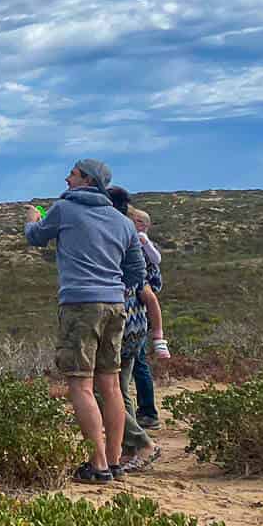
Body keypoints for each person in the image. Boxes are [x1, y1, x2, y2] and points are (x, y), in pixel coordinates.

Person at [24, 158, 146, 484]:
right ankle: (116, 460)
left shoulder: (65, 210)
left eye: (73, 174)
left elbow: (36, 237)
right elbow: (137, 271)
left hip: (80, 306)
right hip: (115, 306)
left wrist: (32, 219)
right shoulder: (122, 222)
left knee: (81, 384)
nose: (66, 179)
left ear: (88, 181)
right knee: (111, 383)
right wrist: (113, 283)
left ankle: (99, 465)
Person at [103, 188, 161, 472]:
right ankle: (129, 447)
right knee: (120, 387)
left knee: (104, 388)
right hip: (135, 324)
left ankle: (140, 442)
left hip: (122, 322)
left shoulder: (120, 237)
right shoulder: (133, 237)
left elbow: (146, 287)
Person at [127, 206, 168, 431]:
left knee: (138, 360)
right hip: (139, 302)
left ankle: (148, 411)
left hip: (140, 305)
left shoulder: (143, 244)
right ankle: (143, 410)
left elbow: (155, 260)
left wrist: (144, 242)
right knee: (136, 360)